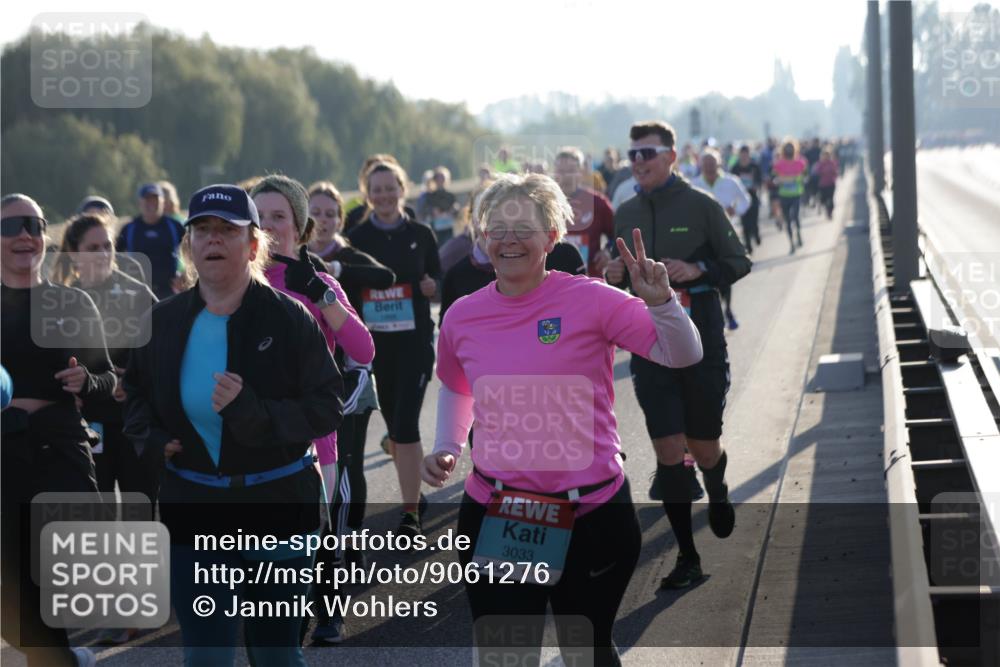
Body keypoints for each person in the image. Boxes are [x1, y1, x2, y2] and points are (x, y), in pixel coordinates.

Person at [422, 173, 702, 666]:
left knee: (587, 653)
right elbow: (457, 385)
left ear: (553, 235)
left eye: (522, 227)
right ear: (482, 238)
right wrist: (448, 445)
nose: (508, 240)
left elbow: (681, 354)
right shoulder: (462, 316)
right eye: (496, 228)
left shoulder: (592, 299)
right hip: (498, 511)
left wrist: (661, 303)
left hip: (591, 515)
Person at [122, 184, 344, 666]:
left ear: (253, 245)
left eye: (228, 230)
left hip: (278, 503)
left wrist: (253, 411)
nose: (214, 240)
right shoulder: (161, 321)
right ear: (188, 245)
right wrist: (153, 440)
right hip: (194, 504)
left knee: (276, 657)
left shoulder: (289, 319)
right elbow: (133, 393)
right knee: (206, 658)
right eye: (202, 230)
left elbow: (328, 405)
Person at [607, 121, 750, 590]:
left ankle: (718, 485)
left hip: (702, 339)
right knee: (668, 449)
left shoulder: (701, 205)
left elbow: (739, 261)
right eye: (632, 155)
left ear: (670, 156)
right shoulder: (625, 209)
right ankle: (687, 556)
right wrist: (612, 272)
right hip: (650, 345)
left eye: (647, 152)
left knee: (703, 446)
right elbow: (617, 268)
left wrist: (698, 267)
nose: (638, 162)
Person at [252, 174, 375, 645]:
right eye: (258, 218)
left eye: (278, 217)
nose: (267, 227)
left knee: (320, 534)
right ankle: (285, 614)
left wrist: (322, 296)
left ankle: (328, 610)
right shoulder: (229, 282)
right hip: (252, 435)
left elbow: (362, 349)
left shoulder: (316, 282)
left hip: (313, 437)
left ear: (300, 228)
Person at [2, 193, 116, 667]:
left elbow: (108, 381)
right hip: (5, 454)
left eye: (35, 224)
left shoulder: (71, 302)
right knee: (16, 610)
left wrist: (87, 381)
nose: (25, 234)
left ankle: (57, 656)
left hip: (61, 450)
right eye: (11, 227)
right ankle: (62, 658)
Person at [347, 159, 441, 537]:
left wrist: (433, 285)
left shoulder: (421, 233)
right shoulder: (356, 238)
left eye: (390, 187)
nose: (384, 195)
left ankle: (410, 514)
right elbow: (347, 287)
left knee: (406, 425)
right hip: (375, 347)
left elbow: (437, 274)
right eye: (377, 189)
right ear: (367, 195)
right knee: (396, 429)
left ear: (403, 188)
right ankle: (409, 476)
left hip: (416, 343)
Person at [307, 180, 393, 563]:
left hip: (352, 374)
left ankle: (351, 536)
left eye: (330, 213)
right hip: (307, 379)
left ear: (341, 219)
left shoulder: (348, 254)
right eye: (315, 212)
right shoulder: (284, 259)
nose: (322, 221)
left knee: (349, 462)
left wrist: (338, 269)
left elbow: (385, 277)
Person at [691, 148, 751, 331]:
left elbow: (746, 200)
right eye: (706, 164)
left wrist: (736, 211)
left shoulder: (730, 181)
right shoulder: (694, 184)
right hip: (703, 238)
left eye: (712, 164)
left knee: (726, 275)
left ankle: (728, 310)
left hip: (726, 235)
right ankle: (717, 312)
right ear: (700, 165)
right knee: (709, 275)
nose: (709, 167)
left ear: (719, 164)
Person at [553, 147, 616, 278]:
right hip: (552, 283)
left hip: (590, 281)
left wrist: (608, 251)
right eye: (561, 171)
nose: (565, 176)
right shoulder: (542, 203)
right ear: (554, 172)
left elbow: (618, 235)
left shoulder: (597, 202)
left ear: (580, 172)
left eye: (571, 171)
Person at [115, 183, 185, 298]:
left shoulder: (174, 226)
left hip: (169, 291)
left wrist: (185, 274)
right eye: (147, 200)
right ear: (140, 203)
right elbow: (115, 256)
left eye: (155, 200)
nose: (152, 204)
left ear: (163, 202)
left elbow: (194, 251)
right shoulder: (130, 229)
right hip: (137, 292)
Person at [772, 139, 809, 253]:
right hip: (784, 195)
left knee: (796, 217)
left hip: (796, 194)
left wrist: (800, 178)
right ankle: (791, 243)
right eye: (787, 149)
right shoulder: (778, 164)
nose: (789, 151)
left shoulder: (801, 162)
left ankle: (798, 234)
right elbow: (774, 178)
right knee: (787, 220)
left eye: (791, 148)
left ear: (795, 149)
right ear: (783, 150)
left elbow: (806, 176)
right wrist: (777, 180)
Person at [729, 145, 764, 255]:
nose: (744, 156)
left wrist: (756, 186)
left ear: (749, 154)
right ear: (739, 155)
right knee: (745, 223)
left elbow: (760, 180)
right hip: (741, 199)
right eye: (742, 154)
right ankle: (748, 245)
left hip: (753, 197)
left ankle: (756, 234)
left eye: (746, 154)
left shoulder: (754, 166)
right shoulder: (735, 168)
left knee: (754, 220)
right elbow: (731, 184)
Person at [813, 147, 839, 220]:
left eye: (827, 155)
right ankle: (826, 209)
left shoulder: (832, 163)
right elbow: (816, 172)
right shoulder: (820, 164)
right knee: (823, 199)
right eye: (824, 155)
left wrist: (833, 174)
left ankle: (830, 212)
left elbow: (836, 172)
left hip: (831, 183)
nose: (825, 156)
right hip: (823, 184)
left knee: (830, 199)